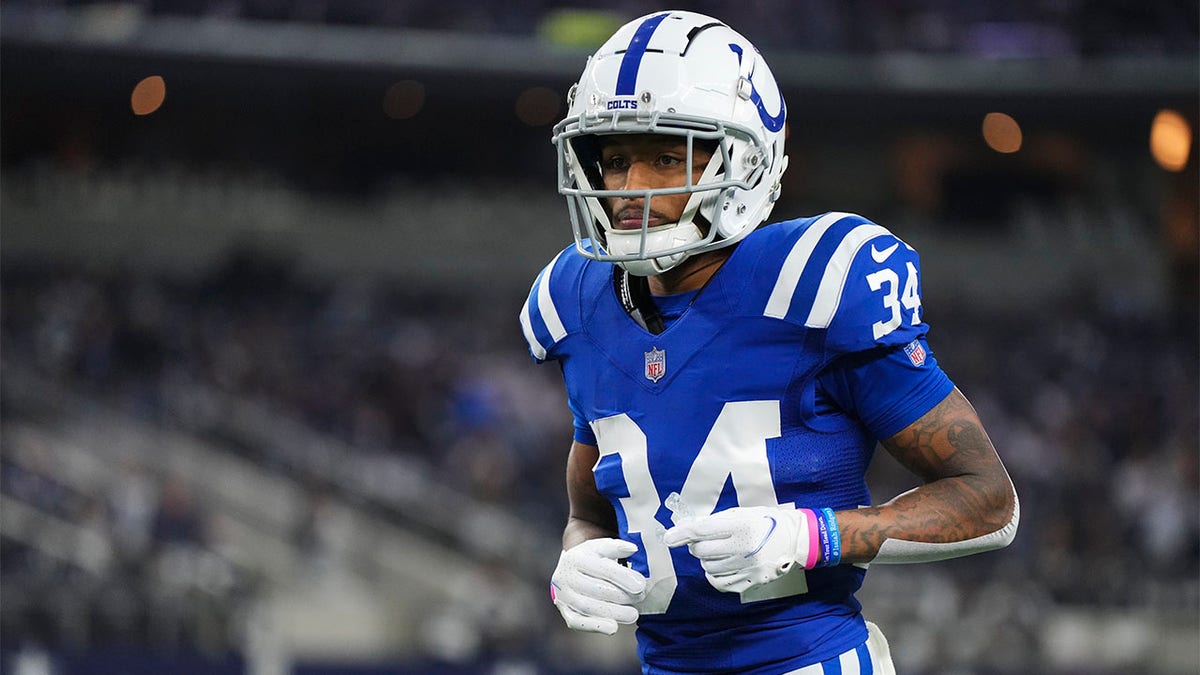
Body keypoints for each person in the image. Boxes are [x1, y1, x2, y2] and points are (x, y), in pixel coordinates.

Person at [519, 10, 1018, 675]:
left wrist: (814, 535)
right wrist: (572, 556)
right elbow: (591, 508)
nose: (629, 188)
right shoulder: (576, 304)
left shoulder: (814, 284)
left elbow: (989, 500)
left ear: (745, 160)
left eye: (667, 157)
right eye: (614, 159)